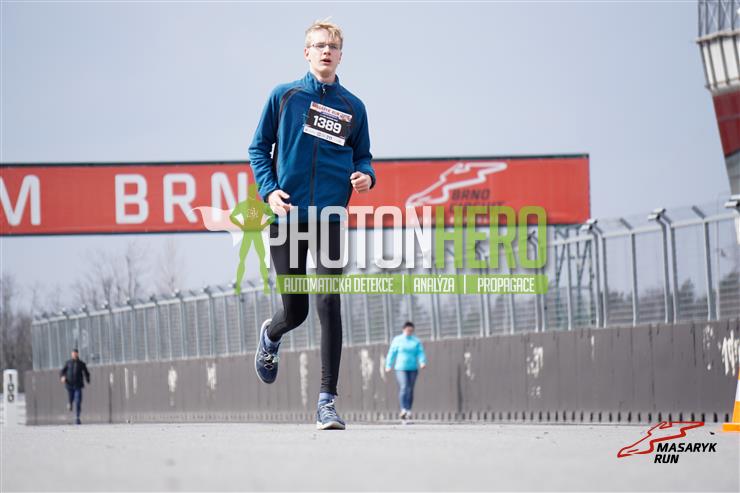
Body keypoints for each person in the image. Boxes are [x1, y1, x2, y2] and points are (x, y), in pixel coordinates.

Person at [248, 19, 375, 430]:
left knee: (328, 301)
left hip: (330, 217)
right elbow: (257, 148)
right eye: (319, 46)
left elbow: (363, 155)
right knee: (296, 310)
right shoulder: (284, 96)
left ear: (340, 55)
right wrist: (269, 191)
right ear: (306, 52)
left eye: (332, 47)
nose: (326, 52)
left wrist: (366, 175)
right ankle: (271, 335)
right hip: (287, 216)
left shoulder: (353, 107)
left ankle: (326, 402)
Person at [385, 322, 427, 421]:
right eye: (408, 330)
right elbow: (392, 353)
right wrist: (388, 365)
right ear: (403, 329)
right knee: (404, 386)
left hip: (413, 368)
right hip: (400, 368)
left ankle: (408, 410)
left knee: (410, 389)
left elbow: (420, 352)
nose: (409, 332)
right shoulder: (397, 340)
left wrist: (422, 362)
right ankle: (403, 409)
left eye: (411, 330)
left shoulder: (416, 341)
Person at [59, 348, 90, 425]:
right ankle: (70, 403)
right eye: (73, 353)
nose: (74, 355)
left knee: (78, 400)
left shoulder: (81, 363)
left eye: (76, 353)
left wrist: (87, 379)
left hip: (78, 385)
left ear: (77, 354)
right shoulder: (68, 363)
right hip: (69, 385)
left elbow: (86, 372)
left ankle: (77, 416)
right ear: (71, 354)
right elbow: (62, 371)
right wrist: (62, 377)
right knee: (71, 399)